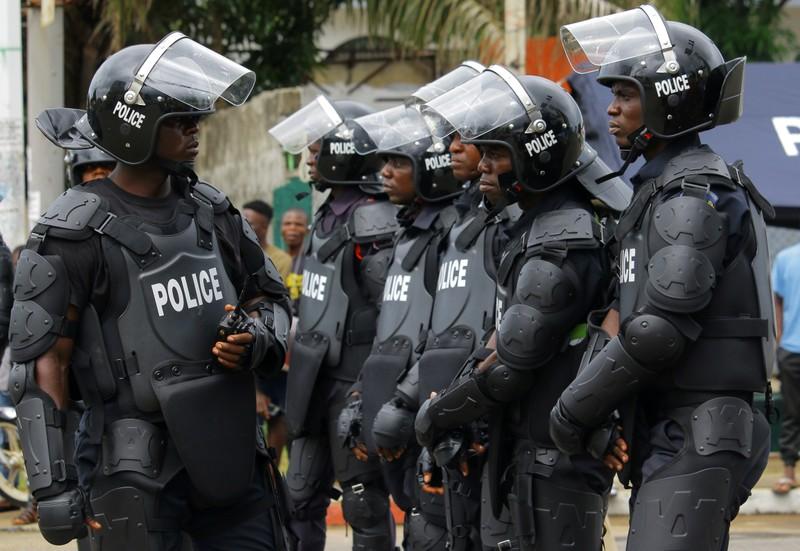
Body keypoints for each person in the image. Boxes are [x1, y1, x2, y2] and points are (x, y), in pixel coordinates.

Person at [15, 32, 291, 551]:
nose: (195, 129)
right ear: (134, 127)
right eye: (179, 120)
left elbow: (270, 298)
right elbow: (41, 363)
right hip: (134, 469)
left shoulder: (212, 210)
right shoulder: (72, 230)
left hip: (232, 453)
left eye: (195, 118)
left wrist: (257, 338)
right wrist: (52, 487)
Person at [548, 6, 776, 550]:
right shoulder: (654, 192)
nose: (611, 108)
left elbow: (657, 332)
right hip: (669, 425)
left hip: (700, 425)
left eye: (626, 94)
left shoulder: (693, 194)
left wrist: (574, 410)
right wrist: (603, 416)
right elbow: (620, 313)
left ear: (668, 99)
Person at [415, 66, 631, 550]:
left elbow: (511, 366)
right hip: (526, 451)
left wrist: (435, 416)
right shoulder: (536, 227)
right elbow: (496, 345)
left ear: (535, 158)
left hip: (556, 465)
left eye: (495, 153)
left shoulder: (563, 238)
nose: (483, 165)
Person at [269, 96, 399, 551]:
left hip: (353, 382)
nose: (309, 157)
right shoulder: (326, 214)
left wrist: (371, 391)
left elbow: (393, 314)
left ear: (345, 152)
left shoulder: (374, 220)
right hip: (313, 379)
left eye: (317, 147)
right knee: (298, 496)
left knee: (363, 502)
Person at [340, 102, 464, 550]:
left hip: (425, 410)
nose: (385, 172)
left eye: (398, 162)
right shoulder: (406, 232)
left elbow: (446, 333)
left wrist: (406, 405)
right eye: (384, 162)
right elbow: (390, 329)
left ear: (431, 168)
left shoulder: (453, 233)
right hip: (390, 408)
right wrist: (360, 397)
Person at [772, 241, 800, 494]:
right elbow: (777, 300)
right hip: (792, 348)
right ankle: (789, 473)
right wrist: (779, 338)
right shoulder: (786, 258)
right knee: (792, 412)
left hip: (788, 349)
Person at [243, 200, 293, 282]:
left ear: (264, 226)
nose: (243, 228)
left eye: (249, 224)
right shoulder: (234, 254)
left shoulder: (281, 259)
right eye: (241, 223)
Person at [280, 208, 310, 312]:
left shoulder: (312, 261)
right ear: (281, 229)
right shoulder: (275, 259)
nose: (292, 228)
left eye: (299, 224)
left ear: (307, 230)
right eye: (287, 224)